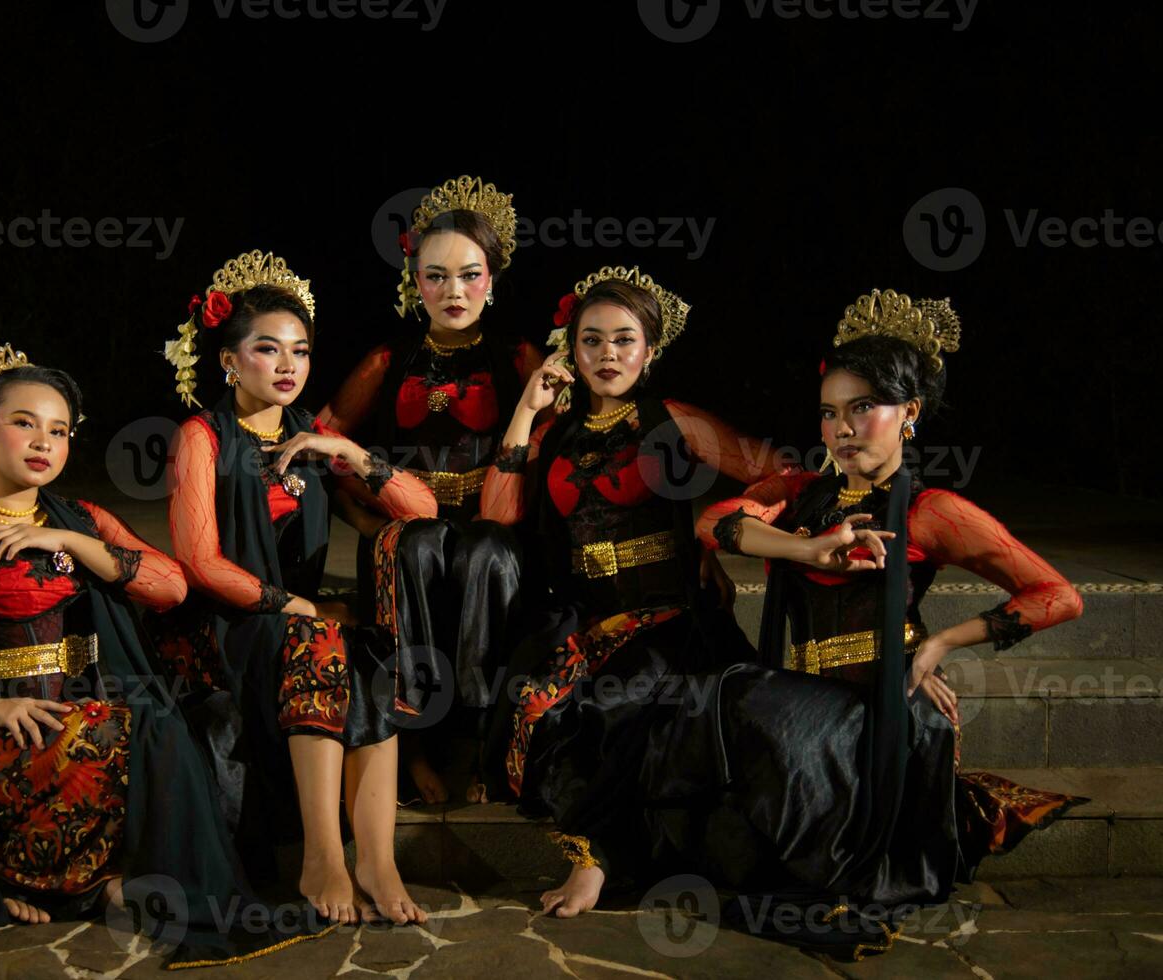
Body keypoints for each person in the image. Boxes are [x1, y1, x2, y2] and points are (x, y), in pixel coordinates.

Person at [0, 344, 324, 967]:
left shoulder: (84, 519)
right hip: (18, 727)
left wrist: (68, 538)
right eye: (24, 423)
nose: (44, 442)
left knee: (204, 713)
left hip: (93, 701)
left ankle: (118, 877)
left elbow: (171, 585)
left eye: (59, 430)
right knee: (133, 724)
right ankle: (52, 875)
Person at [688, 289, 1085, 957]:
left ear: (910, 415)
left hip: (884, 699)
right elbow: (713, 524)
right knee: (728, 696)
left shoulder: (932, 511)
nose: (842, 428)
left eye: (863, 409)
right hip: (805, 694)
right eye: (829, 413)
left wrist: (939, 644)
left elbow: (1057, 595)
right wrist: (807, 547)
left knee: (751, 702)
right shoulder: (793, 493)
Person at [478, 265, 777, 921]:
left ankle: (596, 858)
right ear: (571, 349)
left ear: (649, 349)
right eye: (591, 341)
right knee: (532, 707)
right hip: (589, 617)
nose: (607, 355)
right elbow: (497, 516)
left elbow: (775, 472)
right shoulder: (556, 430)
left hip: (670, 617)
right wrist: (527, 412)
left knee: (624, 701)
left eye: (623, 340)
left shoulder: (673, 421)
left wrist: (716, 532)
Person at [159, 250, 437, 926]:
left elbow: (423, 513)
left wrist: (347, 454)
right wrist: (293, 604)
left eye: (301, 351)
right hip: (231, 625)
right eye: (267, 349)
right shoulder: (200, 438)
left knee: (368, 647)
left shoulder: (310, 440)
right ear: (229, 361)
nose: (289, 365)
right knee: (325, 642)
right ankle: (321, 855)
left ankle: (376, 857)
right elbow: (199, 562)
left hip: (302, 623)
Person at [319, 175, 544, 804]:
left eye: (470, 274)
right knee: (411, 546)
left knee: (486, 553)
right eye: (436, 276)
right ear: (414, 281)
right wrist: (360, 519)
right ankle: (410, 744)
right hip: (407, 520)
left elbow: (551, 454)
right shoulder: (388, 361)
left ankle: (478, 744)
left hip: (492, 521)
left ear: (493, 280)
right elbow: (325, 444)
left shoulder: (517, 355)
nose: (453, 291)